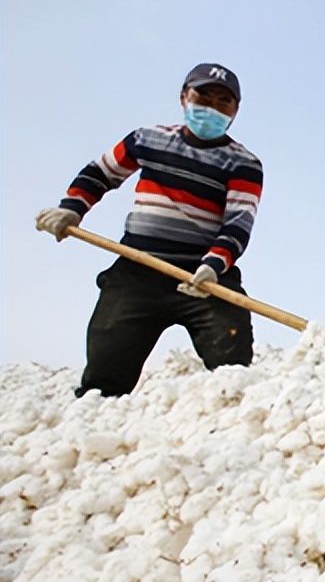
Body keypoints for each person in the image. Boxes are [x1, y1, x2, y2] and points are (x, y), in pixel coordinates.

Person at [35, 63, 264, 397]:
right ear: (184, 97)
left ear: (235, 110)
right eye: (203, 96)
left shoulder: (244, 163)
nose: (212, 107)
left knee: (233, 367)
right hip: (137, 270)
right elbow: (100, 174)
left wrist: (213, 266)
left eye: (223, 101)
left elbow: (238, 223)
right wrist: (71, 208)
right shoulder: (147, 139)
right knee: (105, 376)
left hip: (203, 277)